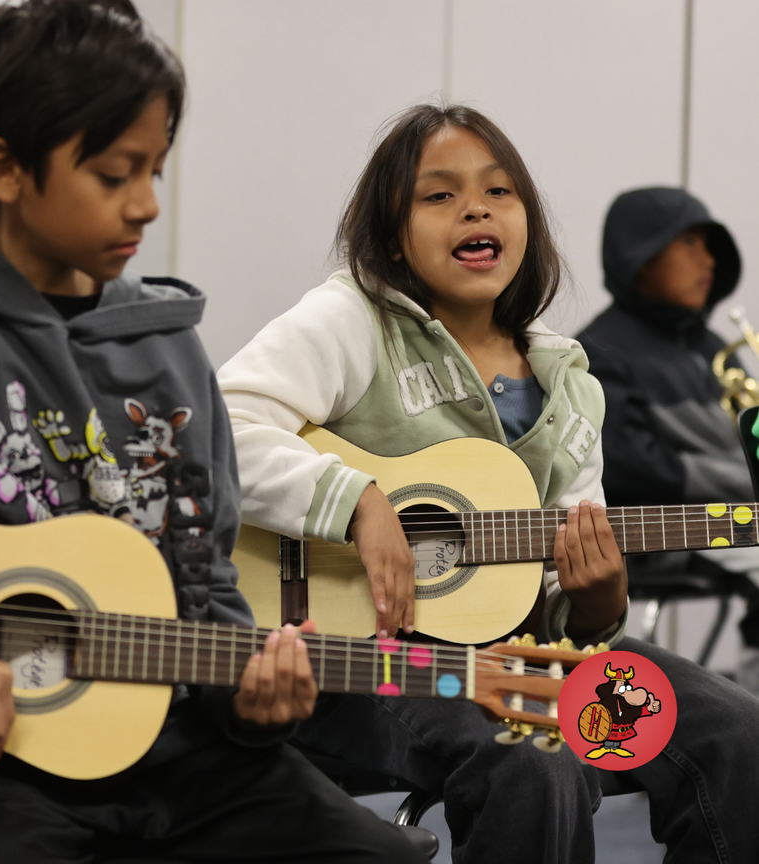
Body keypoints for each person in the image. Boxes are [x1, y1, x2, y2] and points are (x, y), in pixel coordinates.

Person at [0, 0, 426, 864]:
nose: (147, 206)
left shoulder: (167, 351)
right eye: (113, 175)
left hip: (172, 751)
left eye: (154, 170)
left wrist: (250, 705)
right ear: (2, 169)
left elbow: (203, 592)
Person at [219, 106, 759, 863]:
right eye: (438, 195)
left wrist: (598, 596)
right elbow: (219, 430)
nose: (474, 207)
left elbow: (579, 626)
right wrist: (357, 504)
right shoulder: (352, 320)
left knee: (737, 735)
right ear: (391, 233)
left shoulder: (567, 382)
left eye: (498, 192)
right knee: (535, 763)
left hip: (528, 657)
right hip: (367, 657)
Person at [576, 186, 759, 690]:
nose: (708, 261)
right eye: (690, 244)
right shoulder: (598, 351)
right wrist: (746, 481)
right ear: (641, 257)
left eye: (712, 247)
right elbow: (637, 465)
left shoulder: (711, 345)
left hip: (735, 518)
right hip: (661, 531)